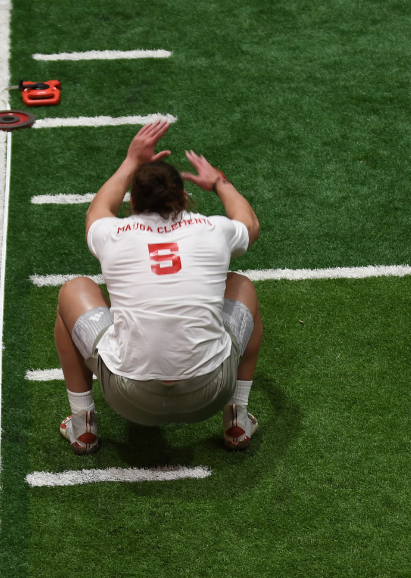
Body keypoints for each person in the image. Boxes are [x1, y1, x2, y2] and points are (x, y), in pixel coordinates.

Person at [55, 120, 264, 454]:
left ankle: (83, 426)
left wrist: (131, 161)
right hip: (211, 392)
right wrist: (219, 182)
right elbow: (250, 225)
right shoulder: (214, 229)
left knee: (74, 289)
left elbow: (97, 212)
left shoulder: (113, 233)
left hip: (129, 397)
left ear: (133, 203)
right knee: (242, 287)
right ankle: (237, 417)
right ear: (183, 197)